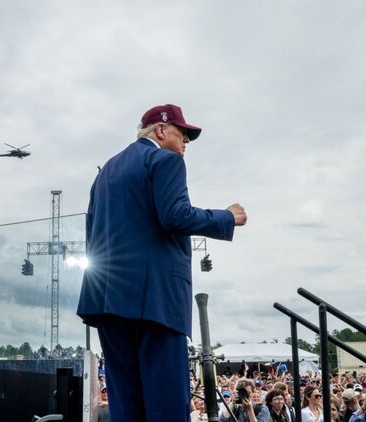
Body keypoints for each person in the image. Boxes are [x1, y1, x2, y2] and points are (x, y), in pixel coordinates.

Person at [77, 103, 247, 421]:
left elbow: (91, 234)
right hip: (155, 300)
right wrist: (227, 218)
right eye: (182, 134)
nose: (185, 142)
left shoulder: (106, 172)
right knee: (167, 405)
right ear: (160, 130)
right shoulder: (165, 160)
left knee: (125, 406)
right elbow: (175, 216)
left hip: (107, 301)